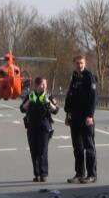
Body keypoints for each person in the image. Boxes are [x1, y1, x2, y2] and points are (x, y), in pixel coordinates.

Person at [63, 53, 99, 184]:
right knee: (77, 147)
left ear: (85, 63)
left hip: (86, 117)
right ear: (74, 64)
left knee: (88, 146)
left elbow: (93, 98)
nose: (79, 65)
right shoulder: (74, 77)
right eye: (77, 63)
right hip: (75, 117)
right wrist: (67, 115)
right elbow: (70, 97)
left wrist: (90, 115)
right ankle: (79, 173)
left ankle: (91, 174)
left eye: (81, 63)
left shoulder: (89, 77)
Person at [20, 76, 57, 182]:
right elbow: (22, 109)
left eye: (45, 84)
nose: (44, 86)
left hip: (44, 127)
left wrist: (49, 103)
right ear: (36, 85)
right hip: (32, 127)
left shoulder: (48, 96)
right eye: (42, 84)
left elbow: (56, 110)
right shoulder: (30, 95)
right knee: (34, 151)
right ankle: (36, 174)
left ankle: (43, 173)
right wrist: (28, 102)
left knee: (43, 150)